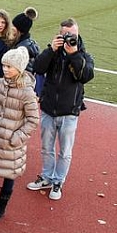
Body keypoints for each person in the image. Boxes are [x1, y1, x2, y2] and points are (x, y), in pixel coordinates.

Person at [27, 18, 94, 201]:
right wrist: (51, 50)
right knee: (46, 147)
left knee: (65, 151)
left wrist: (74, 55)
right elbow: (38, 67)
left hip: (69, 112)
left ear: (78, 34)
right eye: (65, 34)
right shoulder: (53, 52)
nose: (69, 38)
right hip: (49, 109)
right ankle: (47, 176)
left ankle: (58, 181)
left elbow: (85, 76)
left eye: (72, 35)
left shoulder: (84, 56)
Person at [0, 47, 39, 222]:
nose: (5, 69)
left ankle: (1, 207)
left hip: (11, 142)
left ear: (19, 68)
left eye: (9, 66)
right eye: (4, 65)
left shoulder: (27, 93)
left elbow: (33, 120)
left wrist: (17, 137)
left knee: (9, 174)